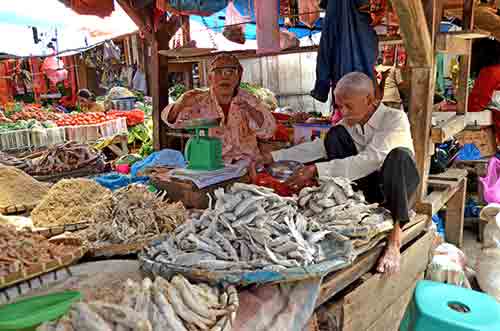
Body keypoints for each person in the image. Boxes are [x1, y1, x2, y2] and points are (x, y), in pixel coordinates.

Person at [260, 72, 420, 274]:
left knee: (399, 157)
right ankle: (356, 208)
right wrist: (274, 157)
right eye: (339, 106)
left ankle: (395, 239)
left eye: (348, 106)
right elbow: (318, 148)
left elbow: (371, 160)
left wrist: (316, 170)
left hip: (399, 192)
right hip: (370, 190)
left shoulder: (394, 119)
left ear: (369, 100)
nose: (342, 112)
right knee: (334, 136)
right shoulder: (349, 122)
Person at [161, 53, 276, 163]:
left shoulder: (249, 100)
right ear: (210, 77)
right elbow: (171, 122)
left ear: (239, 77)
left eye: (230, 71)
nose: (225, 77)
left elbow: (269, 131)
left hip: (247, 164)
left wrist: (251, 111)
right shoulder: (198, 99)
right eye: (218, 72)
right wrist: (181, 103)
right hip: (213, 164)